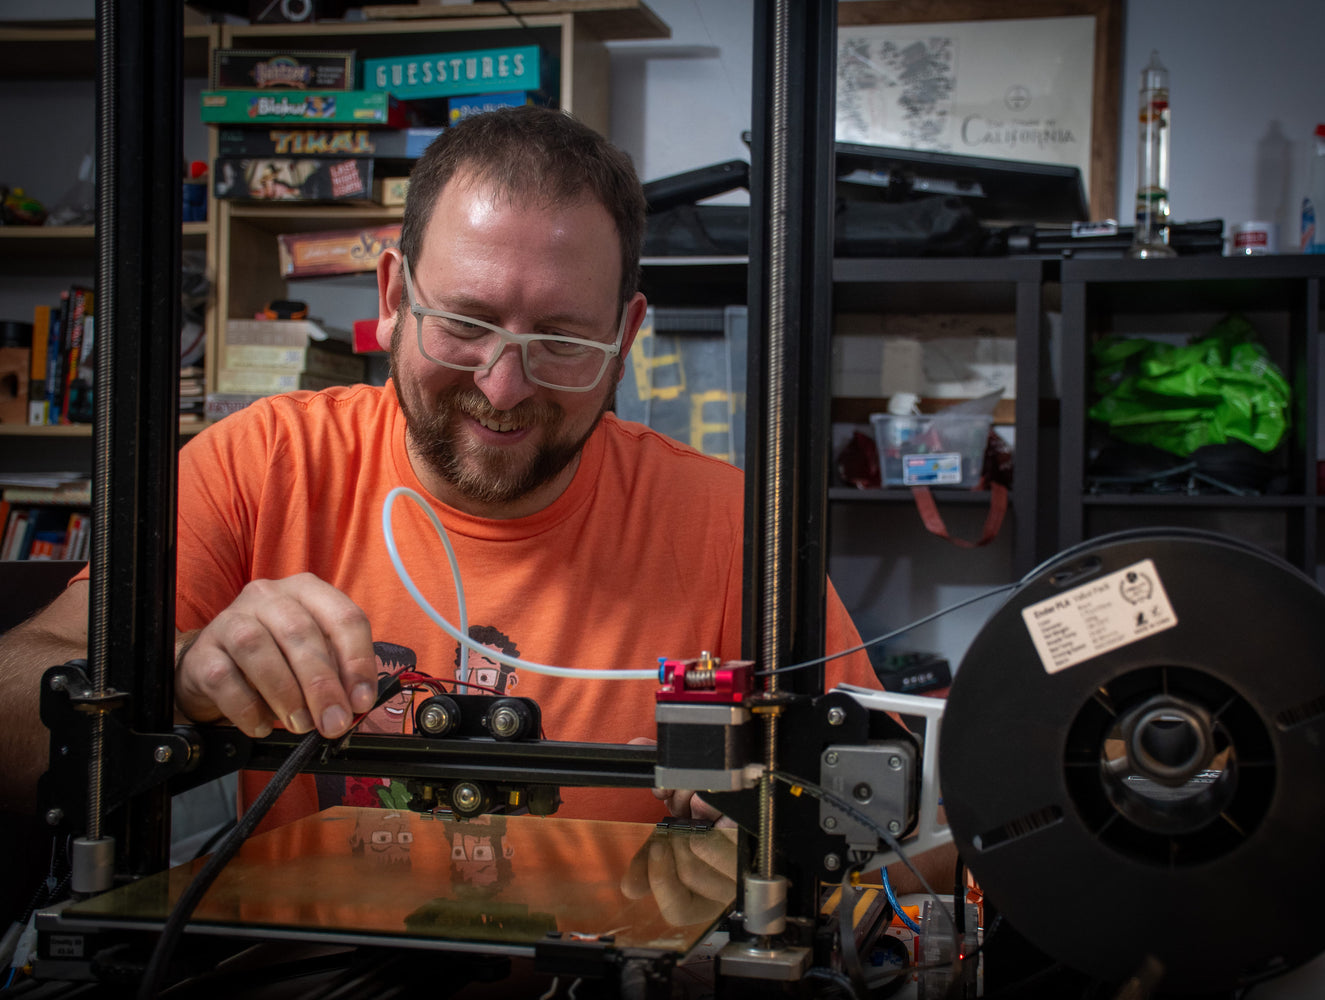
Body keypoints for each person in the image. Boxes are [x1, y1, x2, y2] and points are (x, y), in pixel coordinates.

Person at [0, 107, 879, 836]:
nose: (503, 385)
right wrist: (181, 669)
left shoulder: (729, 524)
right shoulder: (260, 462)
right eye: (464, 322)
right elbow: (12, 719)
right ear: (392, 299)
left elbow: (894, 822)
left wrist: (793, 818)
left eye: (564, 342)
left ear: (625, 338)